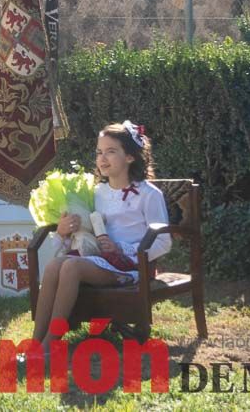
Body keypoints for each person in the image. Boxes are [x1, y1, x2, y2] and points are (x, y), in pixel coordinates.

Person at [30, 121, 171, 350]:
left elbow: (164, 241)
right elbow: (84, 231)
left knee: (71, 267)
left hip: (131, 266)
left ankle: (49, 344)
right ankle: (35, 342)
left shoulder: (148, 194)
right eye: (99, 152)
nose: (102, 158)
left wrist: (122, 250)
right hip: (98, 260)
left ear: (130, 157)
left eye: (111, 151)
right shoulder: (96, 193)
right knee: (55, 265)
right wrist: (64, 229)